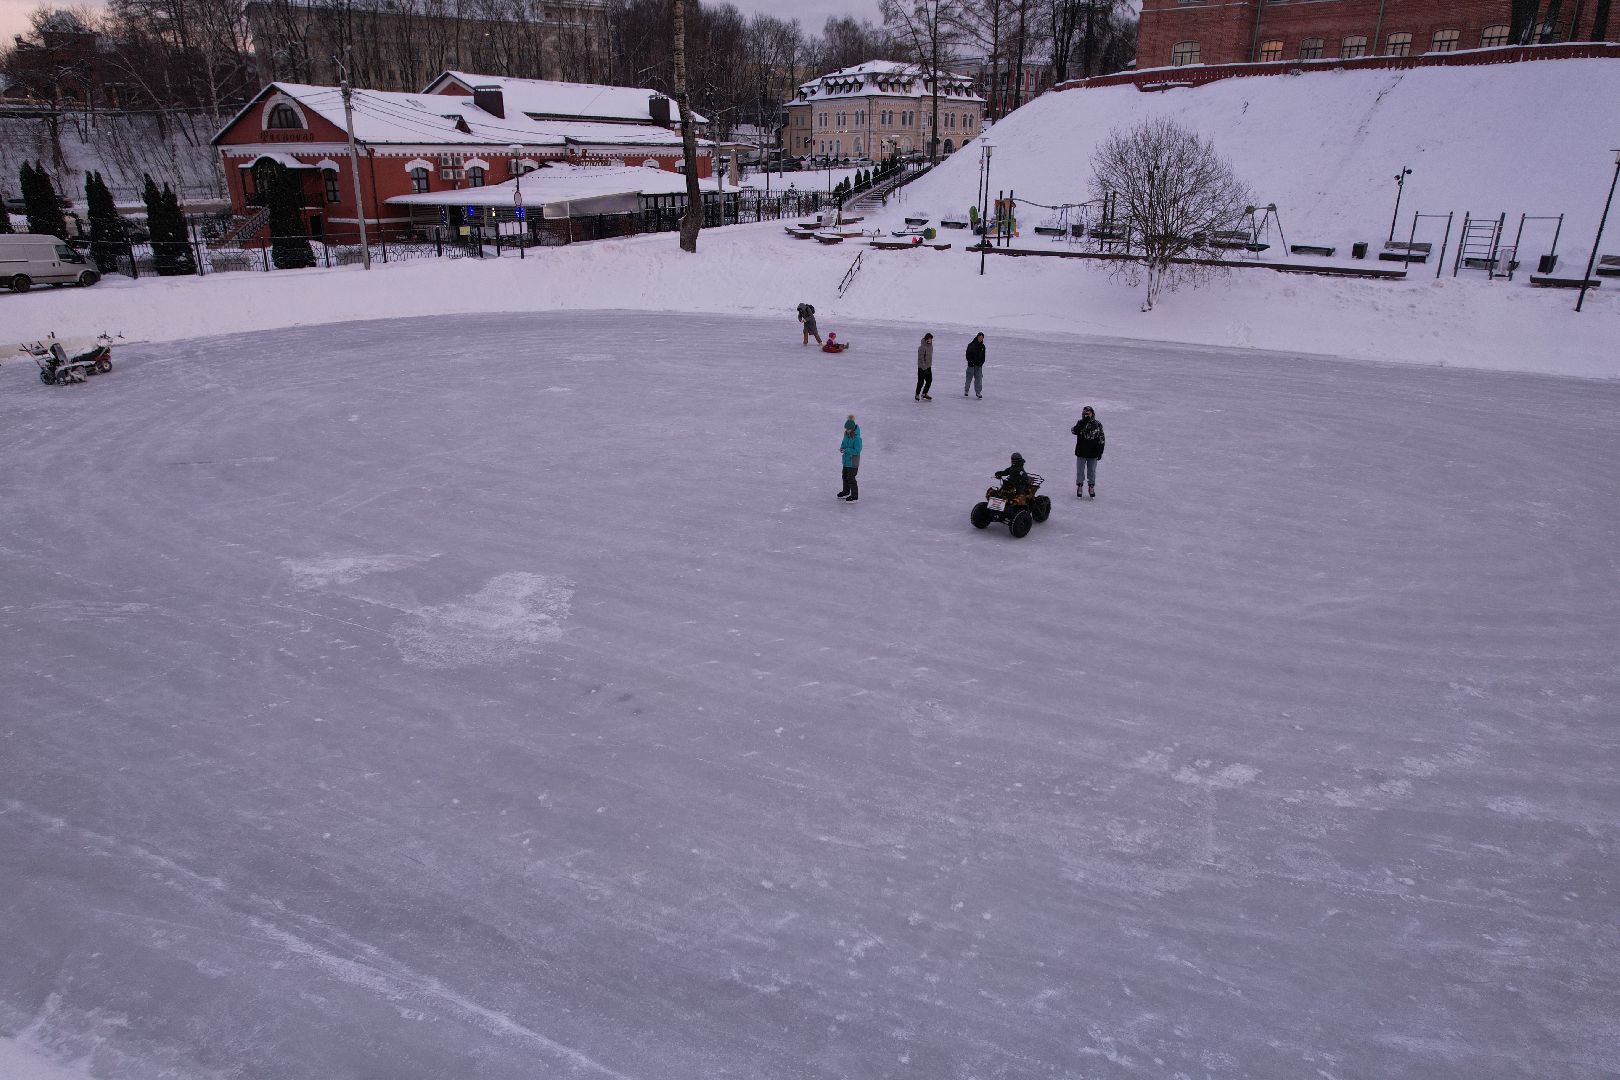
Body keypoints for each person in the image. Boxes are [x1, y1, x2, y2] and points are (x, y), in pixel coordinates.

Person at [1071, 406, 1105, 498]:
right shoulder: (1080, 423)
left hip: (1093, 452)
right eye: (1085, 413)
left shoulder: (1097, 424)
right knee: (1080, 471)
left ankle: (1091, 487)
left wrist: (1100, 451)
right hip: (1081, 451)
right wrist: (1082, 423)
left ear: (1092, 414)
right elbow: (1073, 431)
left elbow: (1101, 438)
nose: (1086, 415)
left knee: (1092, 471)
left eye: (1088, 413)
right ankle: (1080, 486)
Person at [838, 415, 862, 502]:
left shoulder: (857, 438)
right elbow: (844, 443)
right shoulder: (846, 435)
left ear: (851, 428)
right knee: (844, 476)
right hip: (846, 460)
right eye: (846, 429)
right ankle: (846, 492)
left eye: (848, 429)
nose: (846, 430)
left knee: (851, 478)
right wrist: (842, 448)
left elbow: (857, 451)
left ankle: (854, 496)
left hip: (853, 462)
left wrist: (847, 450)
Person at [964, 332, 985, 398]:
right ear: (977, 337)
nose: (980, 339)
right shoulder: (971, 345)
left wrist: (981, 363)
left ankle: (978, 393)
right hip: (971, 366)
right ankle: (966, 391)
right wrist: (970, 362)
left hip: (978, 367)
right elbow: (967, 355)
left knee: (979, 380)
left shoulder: (983, 346)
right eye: (979, 337)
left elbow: (983, 356)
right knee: (968, 379)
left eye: (982, 338)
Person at [914, 332, 934, 400]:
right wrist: (924, 368)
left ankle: (924, 393)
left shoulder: (931, 346)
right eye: (930, 339)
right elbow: (921, 358)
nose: (931, 340)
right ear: (926, 339)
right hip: (921, 368)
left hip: (928, 367)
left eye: (931, 339)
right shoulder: (922, 347)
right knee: (921, 382)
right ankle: (917, 394)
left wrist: (928, 366)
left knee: (929, 380)